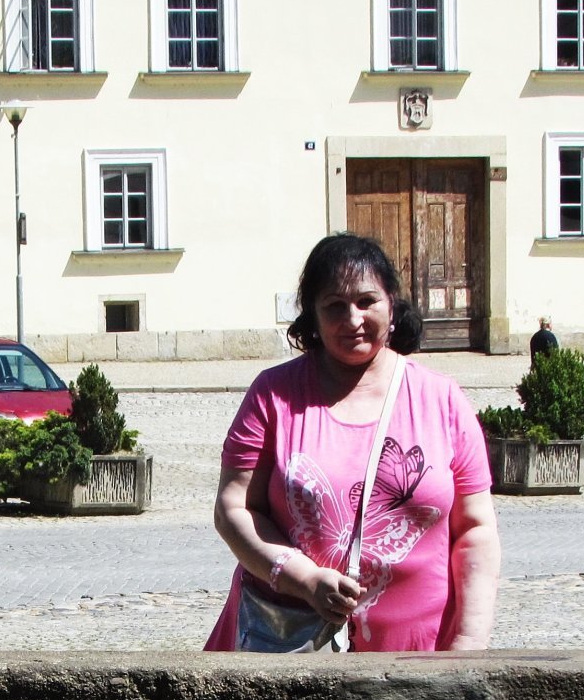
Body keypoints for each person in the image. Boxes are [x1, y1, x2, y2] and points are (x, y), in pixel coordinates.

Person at [207, 233, 500, 652]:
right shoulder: (273, 395)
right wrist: (303, 578)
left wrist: (470, 641)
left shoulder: (443, 398)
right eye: (334, 306)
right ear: (313, 314)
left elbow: (476, 529)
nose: (352, 319)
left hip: (421, 653)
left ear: (392, 303)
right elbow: (233, 508)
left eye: (366, 301)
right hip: (289, 645)